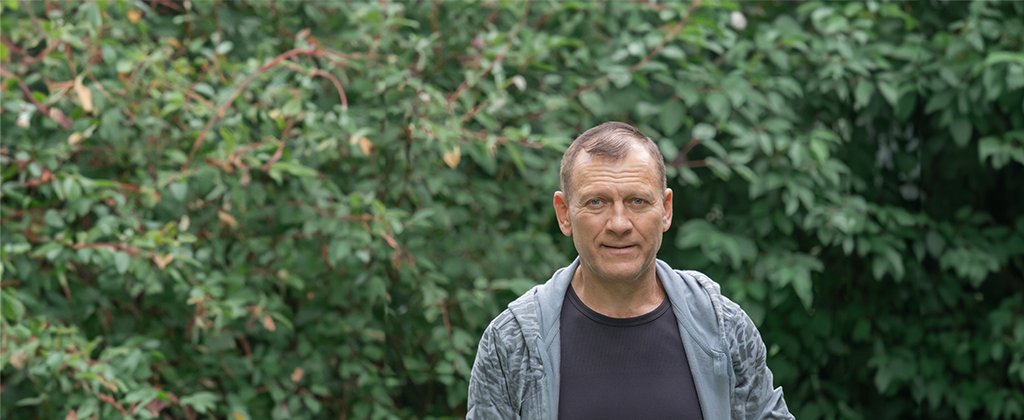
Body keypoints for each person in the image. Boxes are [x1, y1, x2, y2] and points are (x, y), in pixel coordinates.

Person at [466, 122, 794, 419]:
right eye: (596, 202)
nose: (619, 224)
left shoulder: (722, 326)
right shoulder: (512, 342)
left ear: (665, 210)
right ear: (564, 214)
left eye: (637, 201)